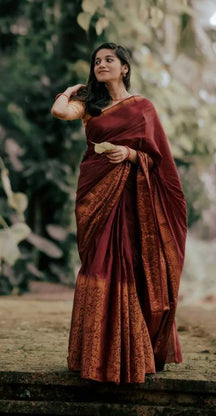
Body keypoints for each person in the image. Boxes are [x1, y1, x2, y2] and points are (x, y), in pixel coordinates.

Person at [51, 42, 187, 384]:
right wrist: (68, 91)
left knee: (125, 263)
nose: (101, 65)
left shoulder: (143, 108)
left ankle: (130, 356)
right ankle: (93, 356)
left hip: (129, 200)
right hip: (95, 196)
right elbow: (59, 112)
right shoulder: (89, 106)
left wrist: (130, 155)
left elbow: (158, 161)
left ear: (124, 67)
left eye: (109, 60)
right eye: (97, 61)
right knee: (96, 263)